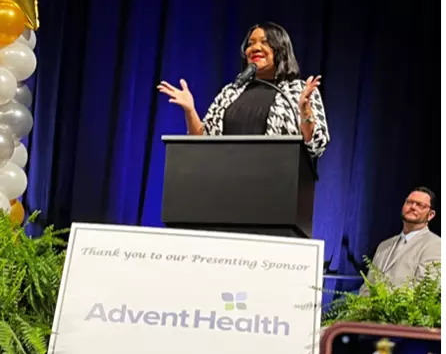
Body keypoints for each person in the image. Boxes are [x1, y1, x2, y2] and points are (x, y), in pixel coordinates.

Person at [158, 22, 330, 159]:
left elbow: (315, 144)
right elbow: (203, 141)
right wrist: (190, 110)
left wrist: (305, 110)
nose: (254, 48)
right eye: (250, 44)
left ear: (281, 49)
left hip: (275, 187)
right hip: (223, 184)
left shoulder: (298, 91)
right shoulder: (231, 92)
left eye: (264, 42)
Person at [360, 187, 442, 293]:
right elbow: (368, 284)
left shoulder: (436, 245)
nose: (413, 207)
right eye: (409, 202)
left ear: (430, 215)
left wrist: (386, 305)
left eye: (420, 205)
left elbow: (426, 289)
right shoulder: (384, 245)